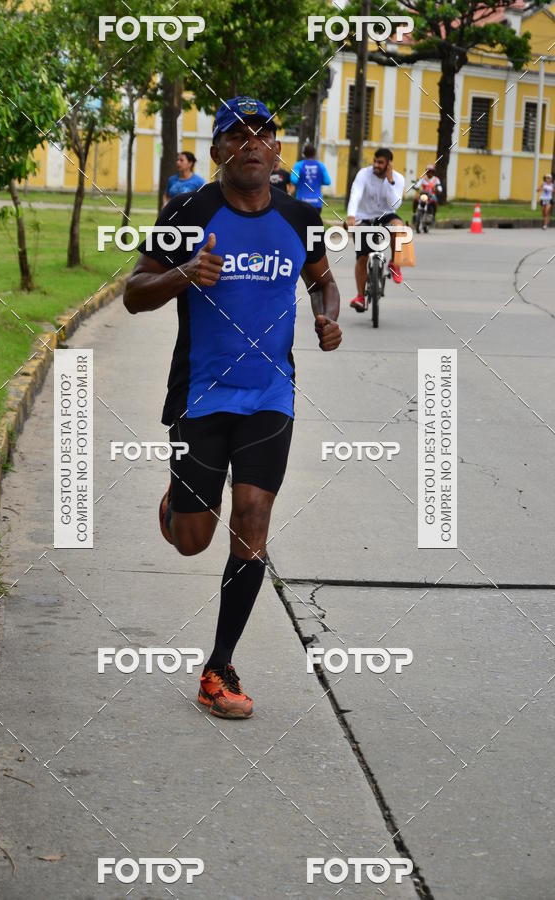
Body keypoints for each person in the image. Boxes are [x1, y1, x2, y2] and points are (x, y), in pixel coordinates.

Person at [123, 96, 342, 720]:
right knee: (194, 540)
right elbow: (135, 295)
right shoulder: (188, 211)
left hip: (270, 395)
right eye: (237, 134)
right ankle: (179, 507)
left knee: (252, 518)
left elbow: (323, 279)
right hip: (202, 393)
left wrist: (327, 316)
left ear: (278, 149)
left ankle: (218, 668)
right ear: (218, 149)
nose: (252, 143)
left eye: (264, 134)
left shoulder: (302, 216)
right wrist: (185, 273)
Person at [346, 147, 405, 312]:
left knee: (399, 228)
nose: (376, 165)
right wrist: (351, 215)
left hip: (386, 214)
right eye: (375, 161)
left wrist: (390, 181)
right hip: (364, 216)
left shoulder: (398, 179)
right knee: (362, 257)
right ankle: (360, 296)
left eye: (380, 162)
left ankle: (394, 263)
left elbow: (395, 205)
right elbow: (356, 193)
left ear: (388, 164)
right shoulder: (364, 174)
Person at [290, 143, 331, 209]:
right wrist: (318, 181)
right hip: (317, 202)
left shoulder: (298, 165)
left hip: (302, 201)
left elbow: (294, 180)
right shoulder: (321, 165)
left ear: (304, 153)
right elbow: (327, 181)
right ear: (315, 153)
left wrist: (302, 181)